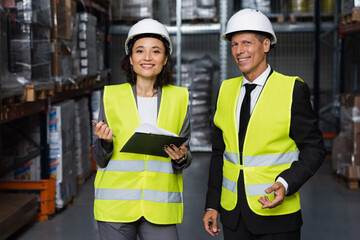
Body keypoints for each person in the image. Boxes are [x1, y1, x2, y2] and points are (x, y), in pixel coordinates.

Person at [202, 9, 326, 240]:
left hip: (276, 217)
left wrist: (286, 183)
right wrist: (212, 204)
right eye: (234, 44)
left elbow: (314, 148)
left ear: (266, 45)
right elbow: (220, 154)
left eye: (247, 43)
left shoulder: (292, 90)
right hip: (233, 216)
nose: (239, 51)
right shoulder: (225, 91)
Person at [93, 18, 191, 240]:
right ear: (130, 58)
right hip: (116, 208)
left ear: (165, 59)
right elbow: (99, 158)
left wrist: (181, 158)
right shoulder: (111, 97)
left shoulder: (179, 98)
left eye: (156, 51)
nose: (147, 58)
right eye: (140, 51)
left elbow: (186, 153)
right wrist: (105, 143)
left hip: (160, 208)